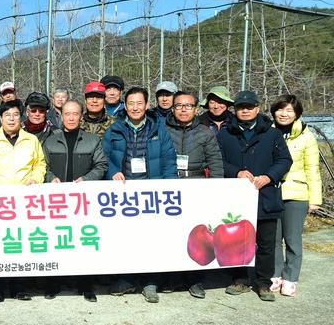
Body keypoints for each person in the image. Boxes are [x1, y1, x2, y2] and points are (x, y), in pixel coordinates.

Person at [102, 86, 178, 303]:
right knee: (124, 238)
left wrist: (169, 188)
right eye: (131, 103)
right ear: (125, 106)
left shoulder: (159, 131)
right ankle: (126, 278)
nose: (135, 107)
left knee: (151, 238)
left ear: (146, 105)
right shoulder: (114, 130)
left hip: (151, 195)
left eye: (139, 103)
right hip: (123, 196)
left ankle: (149, 281)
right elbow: (102, 157)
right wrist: (112, 171)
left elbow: (169, 161)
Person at [217, 90, 292, 302]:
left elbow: (285, 160)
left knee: (266, 244)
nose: (246, 110)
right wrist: (235, 172)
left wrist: (270, 176)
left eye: (250, 107)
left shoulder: (271, 133)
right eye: (241, 107)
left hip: (266, 196)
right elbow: (218, 160)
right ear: (235, 109)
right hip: (237, 198)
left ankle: (264, 283)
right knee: (238, 242)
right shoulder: (225, 133)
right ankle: (240, 279)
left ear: (258, 108)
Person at [0, 99, 47, 303]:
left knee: (19, 243)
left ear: (21, 117)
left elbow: (40, 165)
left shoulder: (31, 140)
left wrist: (36, 179)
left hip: (24, 201)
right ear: (1, 118)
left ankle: (18, 287)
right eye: (7, 115)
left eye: (15, 115)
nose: (12, 119)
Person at [42, 100, 108, 302]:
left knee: (83, 242)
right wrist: (50, 177)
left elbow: (101, 165)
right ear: (61, 116)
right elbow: (42, 166)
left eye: (75, 114)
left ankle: (85, 285)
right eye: (67, 114)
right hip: (57, 202)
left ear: (81, 116)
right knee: (57, 241)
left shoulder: (92, 140)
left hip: (83, 201)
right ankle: (54, 283)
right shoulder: (50, 142)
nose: (71, 118)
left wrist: (86, 180)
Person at [164, 91, 224, 299]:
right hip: (170, 186)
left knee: (197, 235)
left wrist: (215, 189)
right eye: (179, 105)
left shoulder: (206, 133)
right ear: (172, 108)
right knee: (172, 234)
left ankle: (195, 280)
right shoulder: (163, 130)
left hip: (197, 186)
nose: (183, 109)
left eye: (188, 106)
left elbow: (215, 163)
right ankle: (171, 277)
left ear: (196, 109)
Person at [269, 95, 322, 297]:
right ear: (274, 111)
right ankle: (275, 274)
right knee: (272, 238)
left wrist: (315, 199)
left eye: (289, 110)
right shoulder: (267, 132)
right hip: (272, 192)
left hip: (297, 194)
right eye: (280, 110)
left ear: (297, 114)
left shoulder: (306, 136)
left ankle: (290, 278)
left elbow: (312, 168)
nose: (284, 114)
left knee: (292, 239)